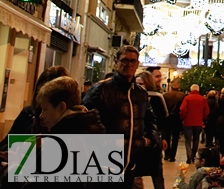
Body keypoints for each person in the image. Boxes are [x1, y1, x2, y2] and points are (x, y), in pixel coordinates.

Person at [83, 46, 160, 189]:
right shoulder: (100, 89)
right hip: (103, 164)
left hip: (130, 165)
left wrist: (149, 140)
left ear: (137, 64)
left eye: (132, 61)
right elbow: (84, 120)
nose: (128, 64)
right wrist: (106, 143)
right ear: (116, 62)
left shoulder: (141, 93)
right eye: (124, 60)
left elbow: (150, 119)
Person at [134, 71, 168, 189]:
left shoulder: (157, 98)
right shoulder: (131, 96)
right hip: (137, 138)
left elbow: (162, 120)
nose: (138, 86)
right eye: (136, 83)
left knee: (156, 171)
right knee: (135, 171)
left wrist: (163, 137)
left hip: (152, 139)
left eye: (141, 83)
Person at [37, 76, 105, 134]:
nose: (41, 115)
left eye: (45, 109)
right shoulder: (87, 128)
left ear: (61, 107)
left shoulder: (64, 137)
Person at [180, 84, 210, 163]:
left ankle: (189, 156)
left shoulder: (187, 98)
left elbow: (182, 109)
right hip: (198, 122)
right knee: (196, 140)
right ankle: (193, 155)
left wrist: (183, 118)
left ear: (191, 90)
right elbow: (207, 111)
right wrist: (203, 118)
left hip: (188, 122)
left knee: (188, 140)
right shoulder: (202, 99)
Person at [163, 80, 185, 161]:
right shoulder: (182, 95)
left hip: (167, 117)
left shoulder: (165, 95)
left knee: (167, 136)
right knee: (175, 138)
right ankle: (172, 156)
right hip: (177, 118)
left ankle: (166, 154)